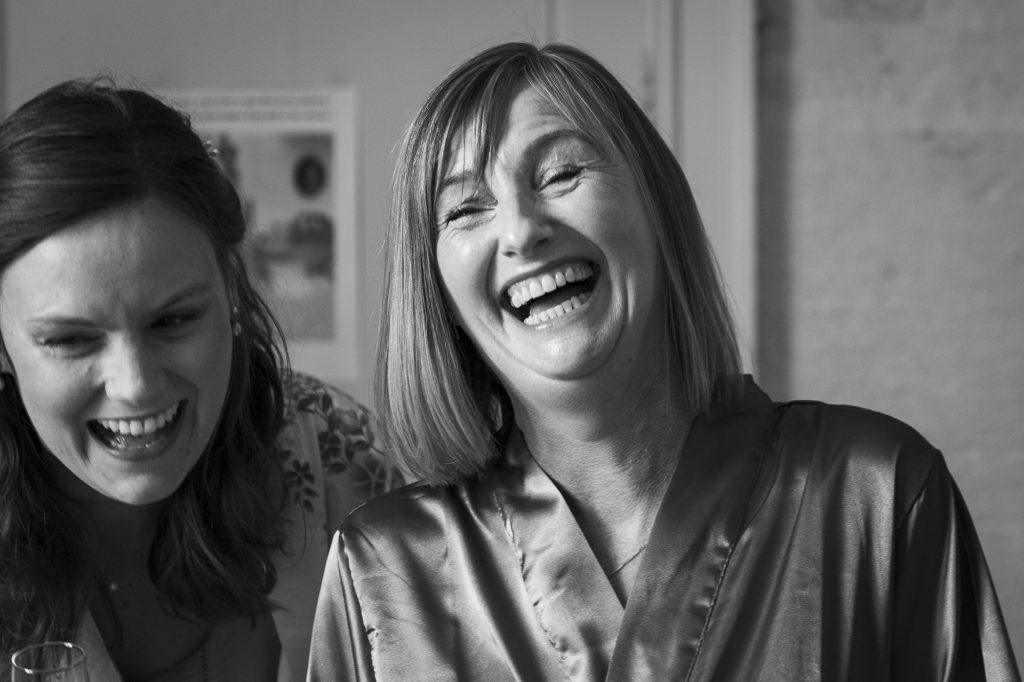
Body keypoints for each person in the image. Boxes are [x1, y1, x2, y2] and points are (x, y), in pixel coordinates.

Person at [307, 41, 1020, 680]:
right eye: (465, 210)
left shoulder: (880, 494)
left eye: (559, 173)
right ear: (436, 288)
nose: (522, 230)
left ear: (657, 204)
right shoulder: (380, 569)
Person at [0, 79, 402, 681]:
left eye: (174, 320)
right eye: (70, 340)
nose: (135, 385)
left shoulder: (338, 455)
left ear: (232, 294)